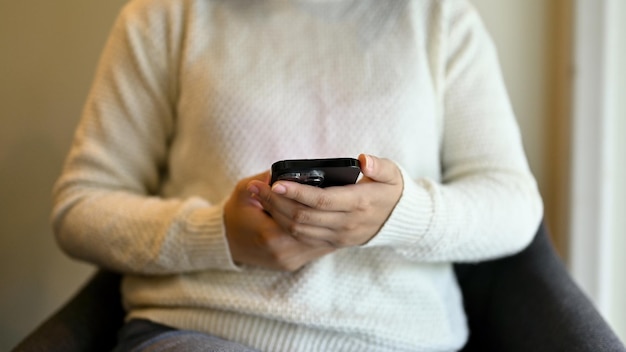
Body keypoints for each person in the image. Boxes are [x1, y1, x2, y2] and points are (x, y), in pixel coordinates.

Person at [51, 0, 543, 351]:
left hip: (400, 338)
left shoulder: (440, 18)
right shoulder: (163, 16)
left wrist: (399, 215)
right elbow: (80, 208)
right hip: (205, 330)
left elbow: (514, 205)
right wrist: (219, 235)